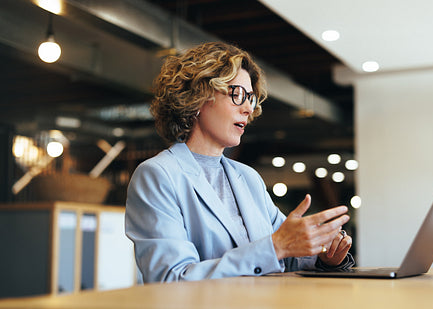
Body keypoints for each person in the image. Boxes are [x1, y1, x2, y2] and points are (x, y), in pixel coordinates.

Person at [125, 42, 355, 283]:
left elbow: (286, 254)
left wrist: (324, 255)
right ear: (198, 98)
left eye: (251, 98)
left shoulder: (248, 178)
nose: (248, 109)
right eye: (237, 95)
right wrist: (276, 247)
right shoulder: (157, 175)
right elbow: (170, 280)